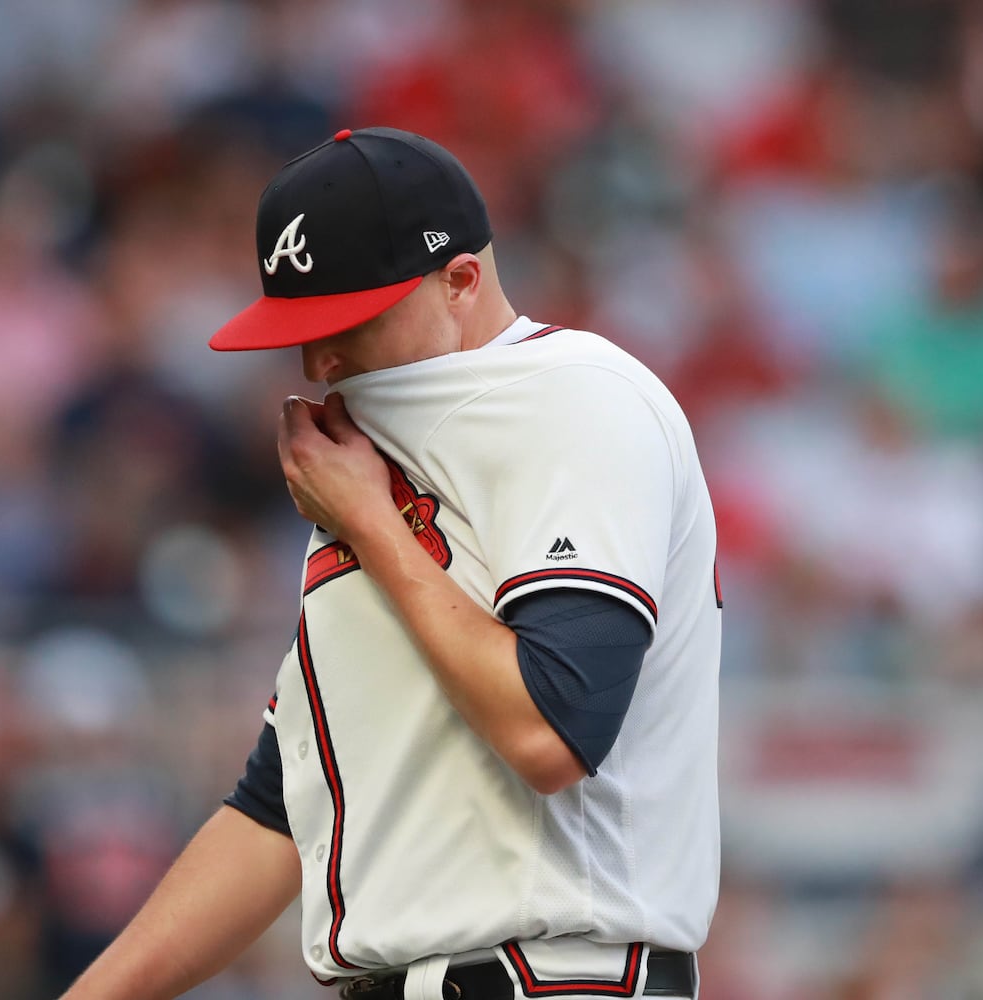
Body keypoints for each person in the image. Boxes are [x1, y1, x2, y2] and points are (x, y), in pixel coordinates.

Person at [63, 126, 720, 1000]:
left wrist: (373, 526)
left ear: (461, 281)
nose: (319, 360)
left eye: (349, 322)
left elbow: (552, 729)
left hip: (552, 977)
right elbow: (279, 809)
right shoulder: (374, 463)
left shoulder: (575, 395)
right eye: (301, 328)